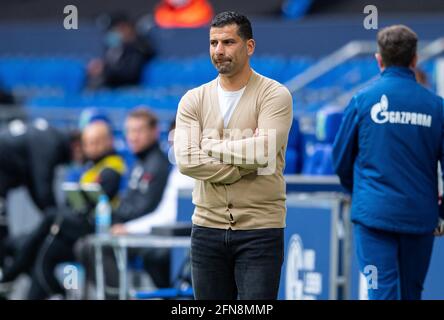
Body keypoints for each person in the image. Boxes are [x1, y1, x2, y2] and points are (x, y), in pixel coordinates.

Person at [174, 11, 293, 300]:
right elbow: (186, 160)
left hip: (260, 229)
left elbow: (263, 151)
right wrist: (243, 162)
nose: (219, 51)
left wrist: (209, 146)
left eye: (228, 42)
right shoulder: (193, 99)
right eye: (214, 43)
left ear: (249, 46)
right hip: (206, 228)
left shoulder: (274, 95)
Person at [332, 25, 444, 300]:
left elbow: (341, 160)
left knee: (381, 293)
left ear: (378, 59)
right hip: (419, 219)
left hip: (374, 218)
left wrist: (361, 196)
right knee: (410, 294)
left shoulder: (362, 101)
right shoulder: (437, 107)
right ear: (415, 59)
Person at [0, 120, 126, 299]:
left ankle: (9, 277)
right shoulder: (90, 168)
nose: (91, 148)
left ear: (109, 142)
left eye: (96, 142)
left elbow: (87, 203)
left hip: (92, 231)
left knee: (45, 237)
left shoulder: (112, 168)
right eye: (88, 143)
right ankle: (11, 278)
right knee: (30, 248)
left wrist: (60, 213)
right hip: (74, 229)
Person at [76, 108, 171, 298]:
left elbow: (144, 209)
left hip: (147, 233)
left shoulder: (157, 165)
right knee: (84, 244)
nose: (132, 137)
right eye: (129, 131)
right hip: (130, 228)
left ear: (154, 131)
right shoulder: (139, 162)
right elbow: (129, 202)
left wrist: (118, 221)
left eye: (138, 131)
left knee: (91, 246)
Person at [0, 119, 81, 273]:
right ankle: (6, 278)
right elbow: (42, 188)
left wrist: (51, 215)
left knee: (4, 238)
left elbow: (35, 186)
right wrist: (59, 218)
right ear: (76, 145)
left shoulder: (47, 137)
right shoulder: (49, 142)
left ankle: (7, 277)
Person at [87, 13, 155, 89]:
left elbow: (130, 74)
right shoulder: (113, 48)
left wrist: (104, 70)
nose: (114, 33)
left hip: (128, 89)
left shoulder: (139, 48)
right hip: (110, 88)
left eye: (117, 29)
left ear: (127, 28)